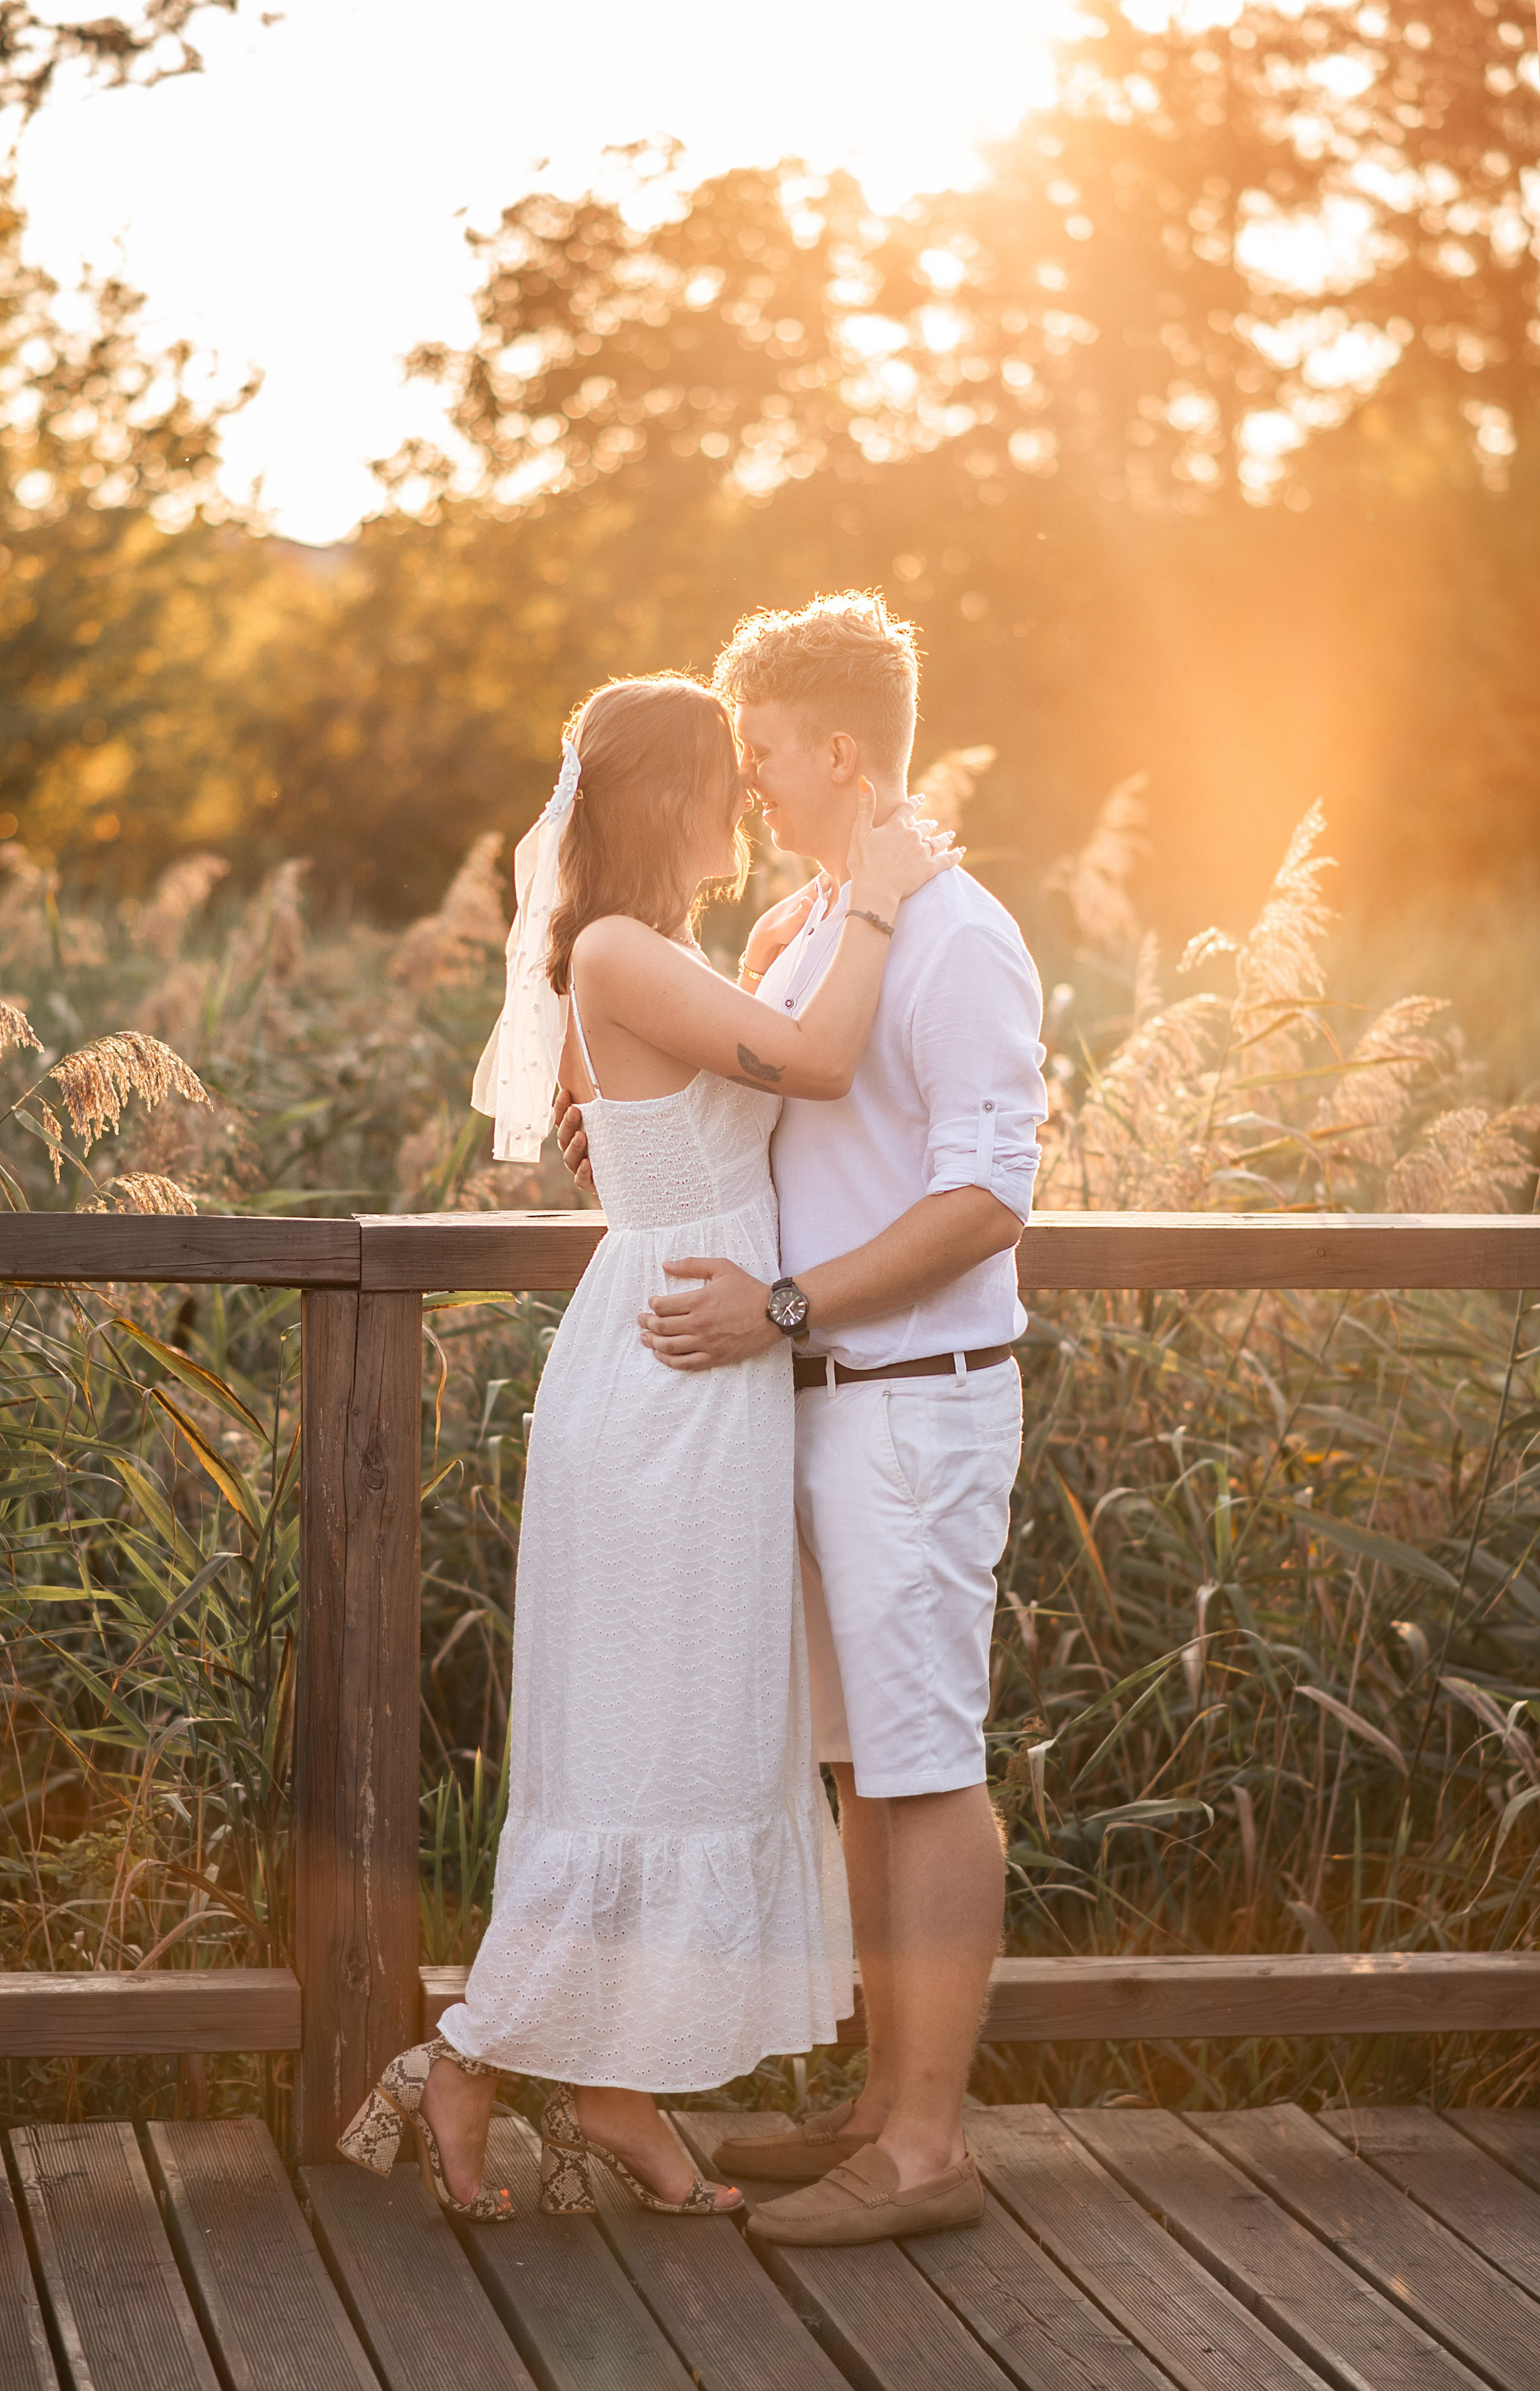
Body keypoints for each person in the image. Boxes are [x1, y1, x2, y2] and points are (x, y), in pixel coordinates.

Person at [337, 670, 953, 2223]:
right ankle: (474, 2059)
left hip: (713, 1362)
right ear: (664, 795)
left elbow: (720, 1102)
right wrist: (872, 900)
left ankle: (609, 2088)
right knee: (638, 1751)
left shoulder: (660, 954)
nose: (746, 800)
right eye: (724, 778)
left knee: (685, 1742)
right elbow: (815, 1064)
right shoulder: (619, 948)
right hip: (672, 1381)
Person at [559, 595, 1046, 2247]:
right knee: (860, 1768)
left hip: (911, 1404)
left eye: (761, 754)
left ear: (838, 749)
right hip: (809, 1408)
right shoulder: (821, 923)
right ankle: (871, 2112)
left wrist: (783, 1310)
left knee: (925, 1765)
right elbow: (759, 1120)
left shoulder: (958, 930)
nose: (745, 783)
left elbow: (985, 1199)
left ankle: (926, 2150)